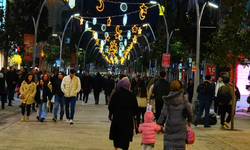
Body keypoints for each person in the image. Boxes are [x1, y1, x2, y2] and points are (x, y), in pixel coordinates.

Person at [157, 80, 193, 150]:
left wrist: (159, 124)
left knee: (169, 143)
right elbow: (190, 111)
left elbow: (163, 113)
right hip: (181, 124)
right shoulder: (183, 98)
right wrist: (190, 120)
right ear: (179, 87)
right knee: (180, 143)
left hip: (170, 124)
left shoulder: (168, 99)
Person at [109, 79, 138, 150]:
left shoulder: (115, 95)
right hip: (127, 119)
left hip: (117, 118)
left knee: (117, 135)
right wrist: (131, 114)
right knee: (126, 137)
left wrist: (114, 112)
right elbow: (136, 108)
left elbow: (110, 107)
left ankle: (116, 148)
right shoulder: (131, 95)